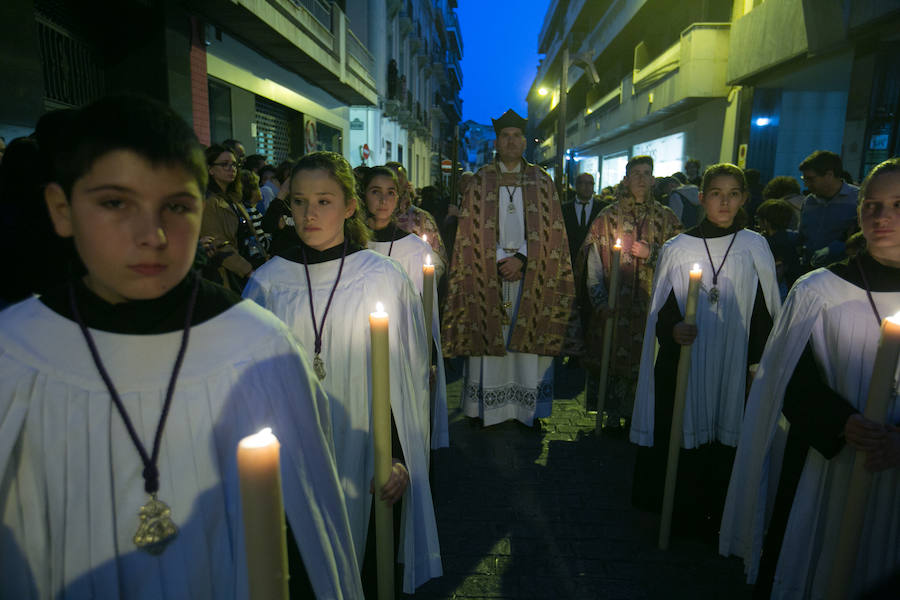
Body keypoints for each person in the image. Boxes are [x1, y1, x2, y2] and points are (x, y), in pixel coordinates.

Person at [0, 94, 361, 599]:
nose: (152, 235)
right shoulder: (14, 354)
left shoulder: (259, 348)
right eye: (114, 203)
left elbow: (307, 541)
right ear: (62, 210)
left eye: (176, 206)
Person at [243, 152, 442, 595]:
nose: (309, 214)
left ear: (350, 206)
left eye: (324, 201)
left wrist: (399, 456)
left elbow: (405, 380)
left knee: (367, 570)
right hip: (292, 456)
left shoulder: (382, 277)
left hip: (368, 452)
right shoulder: (268, 283)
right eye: (298, 202)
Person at [720, 158, 900, 598]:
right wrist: (842, 421)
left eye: (897, 205)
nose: (882, 217)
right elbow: (789, 380)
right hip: (829, 466)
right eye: (872, 205)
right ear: (858, 212)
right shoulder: (818, 290)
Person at [629, 163, 781, 539]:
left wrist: (755, 364)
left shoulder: (754, 246)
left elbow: (764, 311)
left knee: (727, 436)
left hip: (734, 360)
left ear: (744, 198)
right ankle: (679, 514)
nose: (724, 201)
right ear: (702, 198)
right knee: (680, 430)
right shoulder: (679, 248)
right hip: (687, 360)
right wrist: (673, 328)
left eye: (733, 194)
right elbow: (662, 309)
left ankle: (720, 518)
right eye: (716, 193)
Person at [442, 108, 578, 428]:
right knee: (492, 337)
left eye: (517, 136)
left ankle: (528, 409)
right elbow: (469, 229)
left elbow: (553, 230)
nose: (511, 141)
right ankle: (484, 408)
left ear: (525, 141)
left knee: (528, 340)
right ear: (497, 141)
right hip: (488, 271)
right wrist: (502, 257)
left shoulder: (542, 181)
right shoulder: (481, 181)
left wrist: (524, 260)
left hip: (533, 275)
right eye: (505, 136)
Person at [580, 155, 683, 432]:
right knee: (611, 360)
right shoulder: (607, 217)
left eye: (646, 173)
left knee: (646, 363)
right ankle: (611, 416)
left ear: (653, 179)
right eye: (635, 173)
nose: (640, 178)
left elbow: (683, 264)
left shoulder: (667, 218)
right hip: (616, 307)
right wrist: (600, 300)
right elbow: (592, 265)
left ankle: (639, 419)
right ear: (625, 179)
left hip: (651, 308)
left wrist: (653, 254)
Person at [361, 165, 449, 449]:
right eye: (376, 192)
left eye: (390, 193)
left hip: (402, 352)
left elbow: (426, 312)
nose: (383, 200)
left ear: (400, 200)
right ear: (362, 196)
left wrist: (430, 356)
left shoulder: (414, 249)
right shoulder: (351, 244)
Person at [200, 145, 257, 290]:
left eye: (234, 164)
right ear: (210, 169)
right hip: (230, 273)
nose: (231, 168)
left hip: (249, 265)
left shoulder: (233, 198)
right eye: (224, 164)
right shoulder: (209, 201)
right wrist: (247, 270)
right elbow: (216, 242)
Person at [798, 150, 859, 267]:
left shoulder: (857, 200)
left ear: (829, 175)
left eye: (810, 179)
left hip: (841, 273)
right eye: (804, 179)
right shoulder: (809, 201)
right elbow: (802, 235)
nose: (806, 184)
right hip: (808, 270)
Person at [385, 161, 448, 271]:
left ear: (406, 185)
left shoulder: (421, 219)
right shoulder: (369, 221)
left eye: (398, 183)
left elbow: (438, 261)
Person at [756, 198, 802, 298]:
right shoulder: (792, 238)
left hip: (779, 291)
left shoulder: (769, 243)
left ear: (766, 221)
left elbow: (777, 274)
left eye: (758, 218)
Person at [562, 172, 606, 269]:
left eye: (590, 183)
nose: (587, 187)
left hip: (595, 261)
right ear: (576, 185)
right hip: (570, 262)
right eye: (583, 183)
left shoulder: (603, 208)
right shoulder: (564, 209)